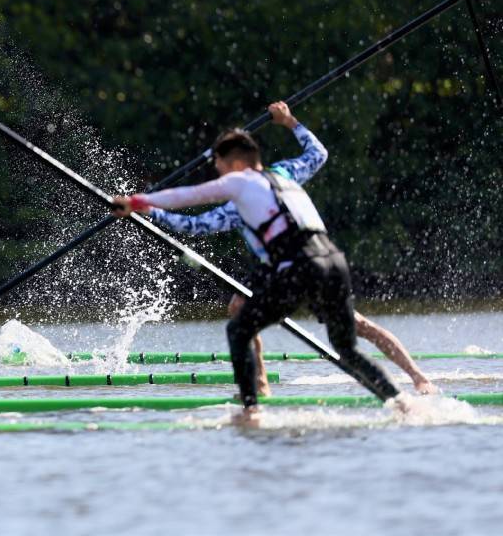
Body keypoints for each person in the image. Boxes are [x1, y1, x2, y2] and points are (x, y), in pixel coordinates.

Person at [114, 109, 403, 423]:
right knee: (347, 350)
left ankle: (251, 411)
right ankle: (402, 403)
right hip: (335, 262)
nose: (220, 175)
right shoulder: (286, 173)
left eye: (220, 167)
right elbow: (318, 154)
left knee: (239, 328)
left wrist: (140, 204)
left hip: (300, 267)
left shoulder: (239, 180)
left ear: (236, 164)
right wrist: (291, 122)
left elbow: (190, 200)